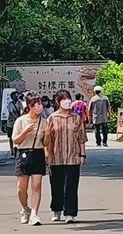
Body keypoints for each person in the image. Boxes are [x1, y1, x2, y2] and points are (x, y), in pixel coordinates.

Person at [45, 89, 87, 223]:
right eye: (63, 99)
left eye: (68, 99)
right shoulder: (51, 118)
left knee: (71, 186)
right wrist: (47, 155)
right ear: (58, 102)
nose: (67, 101)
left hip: (73, 157)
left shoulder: (76, 118)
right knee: (56, 185)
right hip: (56, 157)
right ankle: (56, 209)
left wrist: (82, 155)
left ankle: (70, 213)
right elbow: (47, 139)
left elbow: (81, 138)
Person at [11, 94, 47, 225]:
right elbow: (15, 140)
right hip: (23, 153)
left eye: (40, 104)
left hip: (38, 153)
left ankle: (34, 214)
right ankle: (25, 208)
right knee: (21, 188)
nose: (40, 107)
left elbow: (46, 142)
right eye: (37, 104)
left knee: (36, 186)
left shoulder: (44, 121)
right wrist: (26, 131)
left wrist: (48, 133)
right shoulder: (21, 121)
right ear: (30, 106)